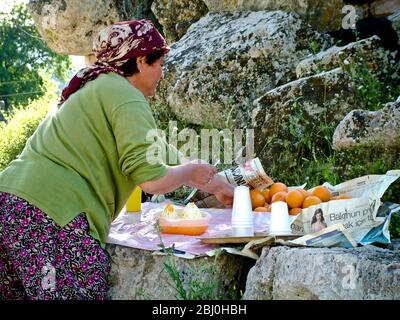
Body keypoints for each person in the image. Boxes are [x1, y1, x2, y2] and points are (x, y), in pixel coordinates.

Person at [0, 19, 234, 300]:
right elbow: (152, 180)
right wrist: (189, 171)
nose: (161, 74)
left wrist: (221, 186)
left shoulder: (97, 88)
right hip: (50, 216)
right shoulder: (127, 96)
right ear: (140, 61)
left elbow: (160, 152)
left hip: (11, 204)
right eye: (159, 64)